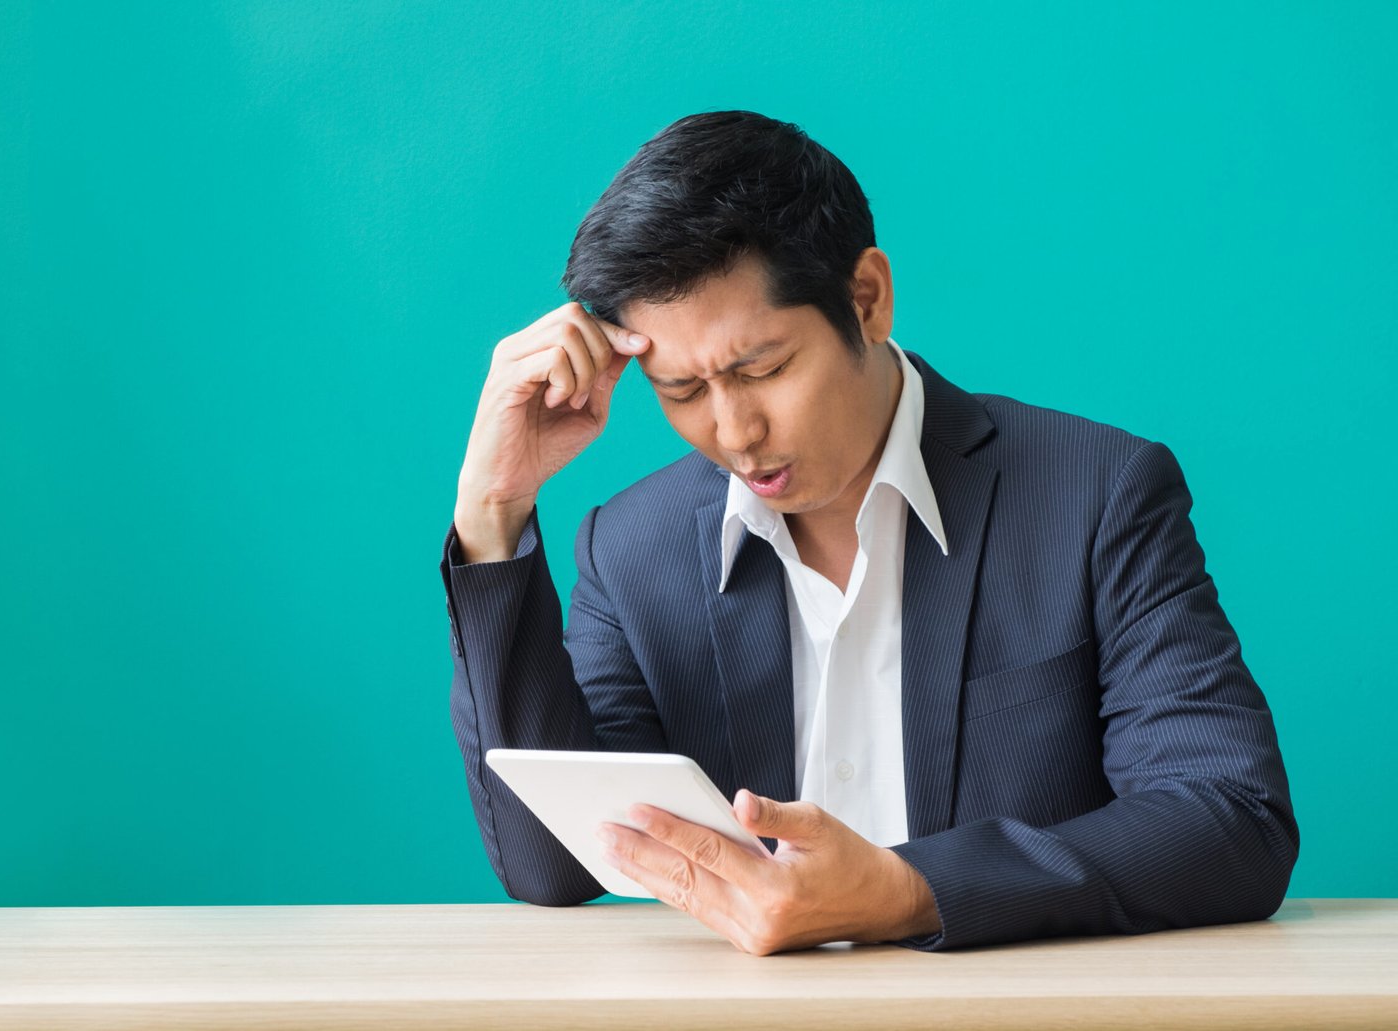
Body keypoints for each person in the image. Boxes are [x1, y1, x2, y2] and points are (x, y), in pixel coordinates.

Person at [440, 110, 1297, 955]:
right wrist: (492, 509)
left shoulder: (1095, 493)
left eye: (763, 368)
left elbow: (1232, 815)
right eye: (683, 391)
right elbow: (551, 861)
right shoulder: (631, 550)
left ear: (868, 299)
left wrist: (907, 890)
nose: (734, 431)